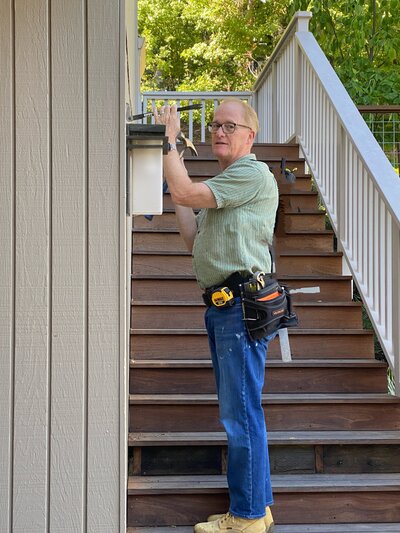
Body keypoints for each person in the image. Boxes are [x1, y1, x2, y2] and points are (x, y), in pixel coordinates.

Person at [154, 98, 278, 533]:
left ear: (250, 135)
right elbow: (191, 236)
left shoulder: (250, 173)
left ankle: (244, 518)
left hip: (239, 308)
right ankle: (258, 508)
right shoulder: (225, 185)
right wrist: (173, 176)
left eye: (229, 125)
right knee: (245, 412)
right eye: (214, 125)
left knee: (239, 416)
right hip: (226, 309)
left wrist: (168, 145)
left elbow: (189, 191)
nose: (219, 131)